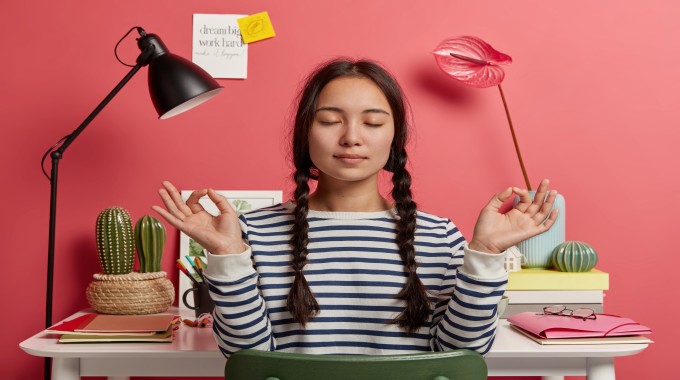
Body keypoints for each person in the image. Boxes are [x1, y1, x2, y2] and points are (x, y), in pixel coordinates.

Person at [153, 58, 558, 358]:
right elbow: (247, 358)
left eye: (373, 123)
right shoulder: (250, 234)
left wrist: (485, 255)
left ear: (395, 138)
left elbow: (461, 354)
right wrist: (228, 255)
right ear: (304, 136)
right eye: (330, 121)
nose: (351, 138)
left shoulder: (439, 236)